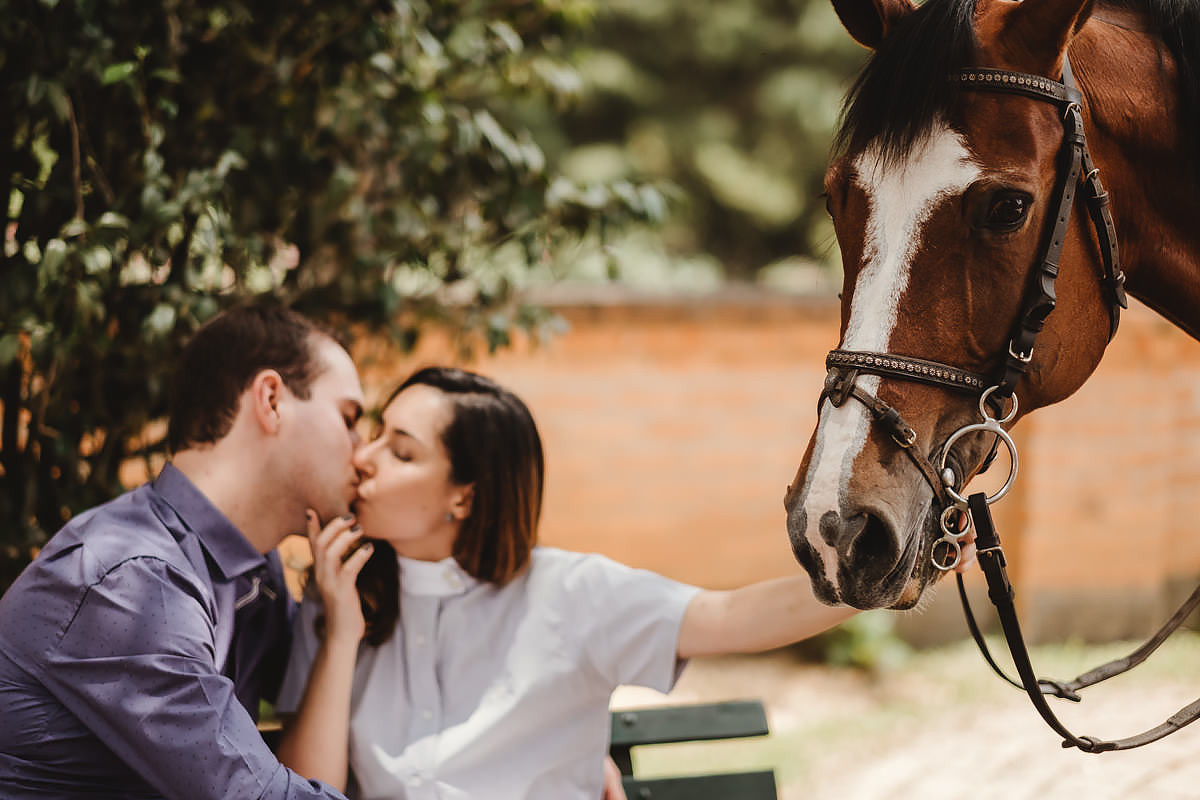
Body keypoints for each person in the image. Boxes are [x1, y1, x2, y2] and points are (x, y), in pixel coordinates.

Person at [276, 367, 970, 799]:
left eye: (399, 451)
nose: (362, 461)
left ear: (465, 494)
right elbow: (309, 792)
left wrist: (891, 569)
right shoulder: (343, 600)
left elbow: (730, 617)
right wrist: (340, 635)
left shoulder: (570, 596)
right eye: (373, 436)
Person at [0, 304, 368, 799]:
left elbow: (303, 762)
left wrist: (341, 630)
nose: (364, 453)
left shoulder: (254, 577)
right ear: (272, 400)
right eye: (349, 419)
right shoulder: (131, 579)